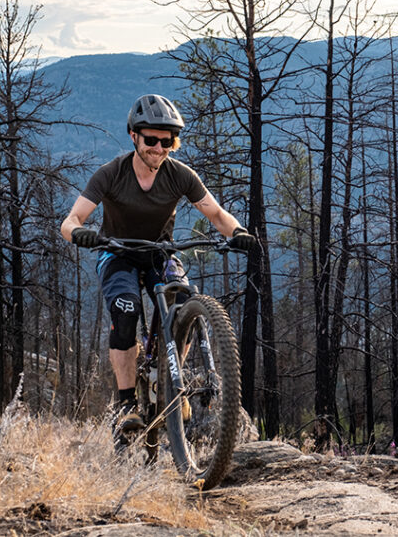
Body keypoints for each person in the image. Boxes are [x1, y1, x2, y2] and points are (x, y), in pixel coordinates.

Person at [60, 93, 255, 440]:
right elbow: (70, 220)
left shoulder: (180, 175)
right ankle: (125, 405)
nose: (159, 148)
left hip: (160, 253)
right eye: (151, 139)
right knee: (126, 310)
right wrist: (81, 233)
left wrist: (238, 232)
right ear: (134, 136)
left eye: (167, 141)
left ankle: (170, 381)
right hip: (117, 252)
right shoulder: (111, 174)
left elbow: (215, 213)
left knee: (183, 302)